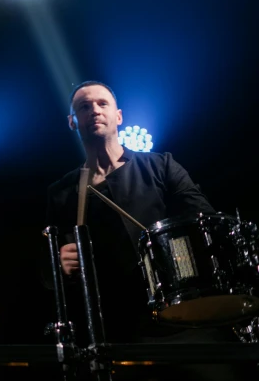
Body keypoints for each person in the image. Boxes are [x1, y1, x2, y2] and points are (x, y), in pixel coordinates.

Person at [44, 80, 251, 380]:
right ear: (72, 122)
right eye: (84, 107)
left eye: (102, 104)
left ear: (119, 116)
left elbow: (206, 221)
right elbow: (44, 269)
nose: (94, 111)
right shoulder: (62, 192)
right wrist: (58, 263)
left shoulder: (161, 166)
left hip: (187, 323)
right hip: (116, 332)